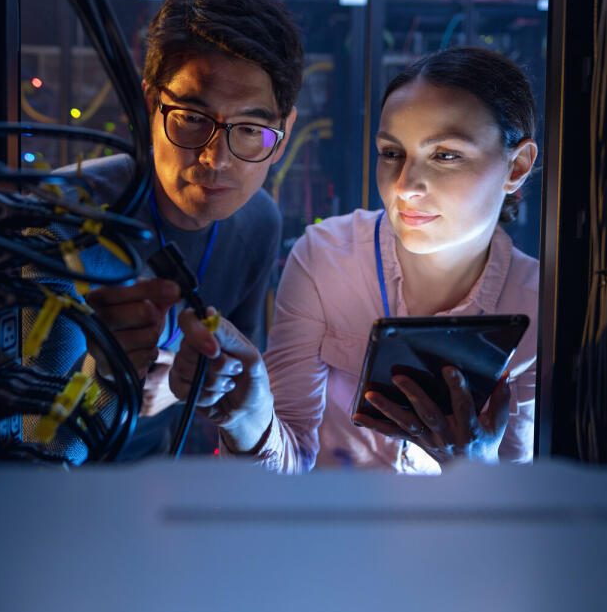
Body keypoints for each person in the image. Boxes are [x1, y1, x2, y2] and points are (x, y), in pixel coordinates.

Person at [170, 47, 539, 473]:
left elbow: (520, 512)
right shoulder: (326, 258)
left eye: (446, 155)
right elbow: (287, 466)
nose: (405, 186)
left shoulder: (535, 306)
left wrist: (475, 467)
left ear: (517, 167)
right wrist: (248, 415)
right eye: (391, 153)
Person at [25, 0, 304, 460]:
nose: (217, 158)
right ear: (150, 105)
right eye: (193, 118)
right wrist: (109, 381)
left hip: (152, 479)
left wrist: (182, 386)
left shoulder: (259, 222)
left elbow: (230, 377)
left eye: (251, 130)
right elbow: (31, 443)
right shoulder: (61, 217)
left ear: (285, 131)